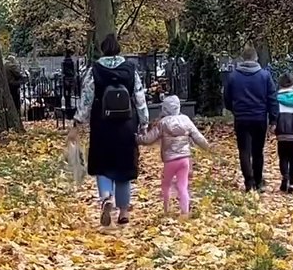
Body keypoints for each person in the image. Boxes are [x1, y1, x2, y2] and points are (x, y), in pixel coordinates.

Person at [68, 33, 148, 226]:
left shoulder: (94, 70)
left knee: (103, 165)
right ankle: (123, 212)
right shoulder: (130, 69)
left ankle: (106, 198)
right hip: (126, 125)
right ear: (118, 48)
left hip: (102, 124)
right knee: (124, 166)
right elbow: (139, 98)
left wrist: (78, 122)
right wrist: (144, 123)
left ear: (103, 49)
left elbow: (86, 99)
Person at [139, 95, 209, 216]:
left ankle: (167, 209)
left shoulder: (163, 123)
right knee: (183, 185)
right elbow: (198, 137)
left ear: (164, 108)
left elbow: (149, 139)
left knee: (166, 184)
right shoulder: (186, 120)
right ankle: (185, 212)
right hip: (184, 159)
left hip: (170, 160)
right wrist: (208, 147)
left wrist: (138, 138)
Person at [223, 46, 277, 191]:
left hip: (241, 118)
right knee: (258, 151)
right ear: (256, 58)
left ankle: (249, 182)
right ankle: (259, 182)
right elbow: (272, 98)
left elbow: (227, 97)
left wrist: (234, 110)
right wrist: (273, 119)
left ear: (242, 58)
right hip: (259, 118)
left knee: (244, 150)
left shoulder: (233, 76)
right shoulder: (265, 76)